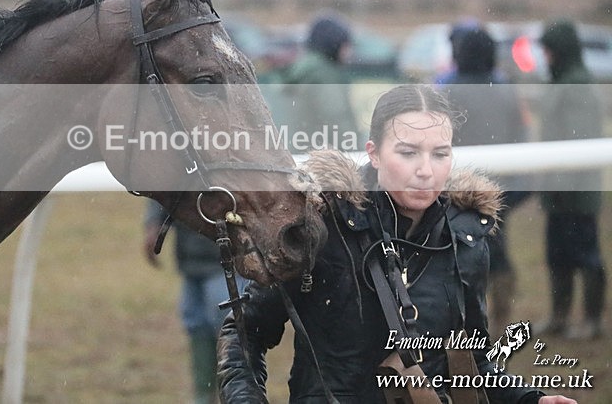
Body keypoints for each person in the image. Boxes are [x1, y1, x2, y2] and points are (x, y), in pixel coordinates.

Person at [218, 84, 575, 403]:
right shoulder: (320, 226)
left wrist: (530, 399)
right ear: (373, 153)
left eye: (440, 154)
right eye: (408, 152)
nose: (426, 170)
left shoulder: (465, 238)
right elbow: (245, 332)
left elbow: (475, 362)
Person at [438, 22, 532, 334]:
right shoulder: (506, 89)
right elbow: (522, 136)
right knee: (497, 251)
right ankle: (500, 317)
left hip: (456, 188)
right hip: (499, 188)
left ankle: (463, 320)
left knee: (455, 255)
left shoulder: (447, 90)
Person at [535, 19, 606, 340]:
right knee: (558, 255)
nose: (545, 56)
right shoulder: (561, 80)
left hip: (576, 191)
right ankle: (559, 317)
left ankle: (592, 321)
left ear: (561, 51)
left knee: (586, 255)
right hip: (559, 190)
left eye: (549, 50)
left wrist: (563, 182)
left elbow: (579, 140)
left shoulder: (577, 84)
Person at [143, 200, 237, 404]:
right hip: (191, 260)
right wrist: (154, 222)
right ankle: (205, 395)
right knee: (197, 324)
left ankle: (234, 395)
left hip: (226, 260)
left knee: (230, 329)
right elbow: (164, 189)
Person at [278, 14, 359, 151]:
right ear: (334, 43)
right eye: (346, 45)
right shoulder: (324, 74)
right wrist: (355, 149)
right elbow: (336, 116)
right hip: (319, 152)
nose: (349, 52)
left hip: (296, 148)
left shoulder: (302, 67)